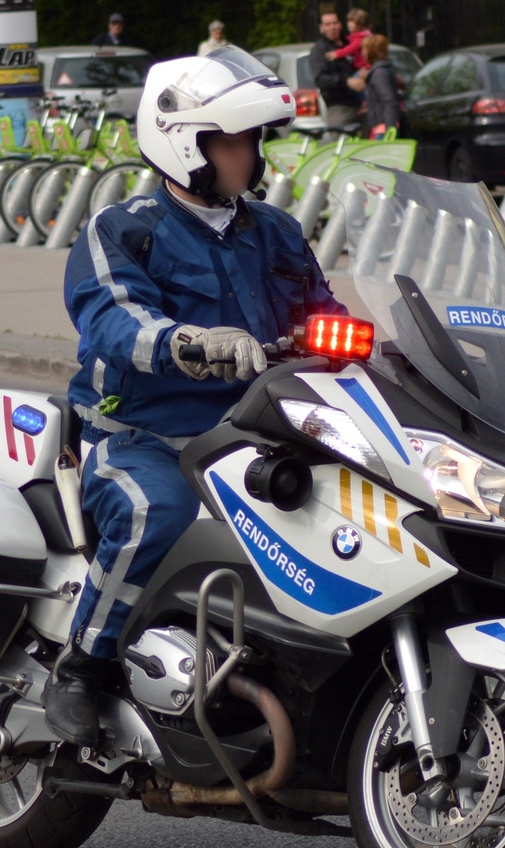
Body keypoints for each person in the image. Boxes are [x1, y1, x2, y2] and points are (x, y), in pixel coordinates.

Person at [44, 48, 348, 746]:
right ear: (187, 145)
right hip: (145, 437)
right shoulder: (122, 230)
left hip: (261, 434)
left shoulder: (271, 231)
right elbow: (113, 318)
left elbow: (321, 312)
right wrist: (192, 343)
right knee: (157, 511)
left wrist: (371, 348)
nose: (249, 155)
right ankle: (83, 666)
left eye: (252, 140)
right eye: (233, 140)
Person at [308, 10, 361, 131]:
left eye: (335, 23)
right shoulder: (320, 50)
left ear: (340, 25)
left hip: (364, 104)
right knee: (336, 143)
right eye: (327, 24)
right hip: (339, 106)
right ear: (321, 28)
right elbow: (320, 79)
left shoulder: (351, 43)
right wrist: (346, 81)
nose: (332, 27)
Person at [362, 33, 400, 138]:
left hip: (383, 128)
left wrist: (390, 128)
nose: (363, 53)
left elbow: (389, 100)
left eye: (364, 49)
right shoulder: (383, 70)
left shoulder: (379, 73)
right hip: (382, 126)